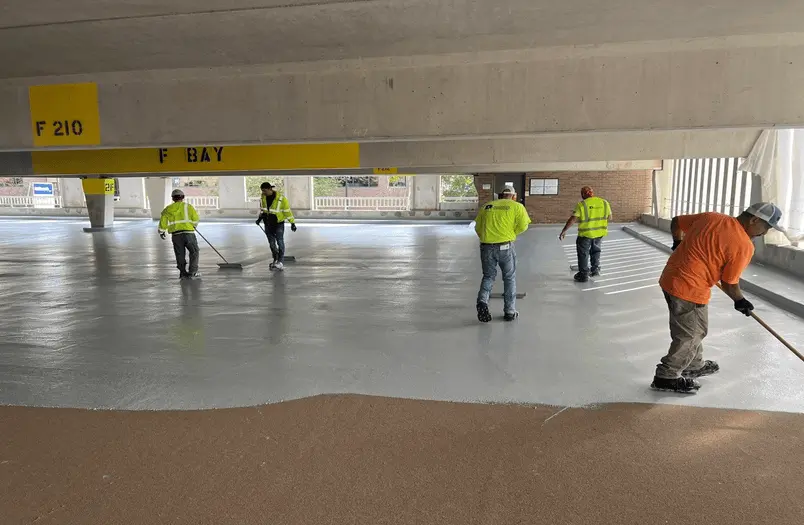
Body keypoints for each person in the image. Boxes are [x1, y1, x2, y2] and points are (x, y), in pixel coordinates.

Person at [651, 202, 784, 394]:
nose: (765, 233)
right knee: (691, 334)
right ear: (754, 219)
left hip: (671, 278)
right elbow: (730, 282)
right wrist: (740, 300)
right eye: (767, 227)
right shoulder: (744, 245)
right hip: (690, 288)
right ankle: (667, 376)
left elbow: (676, 222)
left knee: (696, 327)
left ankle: (694, 365)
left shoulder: (711, 217)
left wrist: (678, 242)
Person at [474, 186, 532, 322]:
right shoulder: (517, 206)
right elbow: (524, 226)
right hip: (505, 247)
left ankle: (482, 301)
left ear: (500, 195)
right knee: (509, 278)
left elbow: (477, 228)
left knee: (488, 276)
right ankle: (510, 311)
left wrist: (487, 238)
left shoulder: (487, 206)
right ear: (513, 196)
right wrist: (511, 233)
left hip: (486, 247)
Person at [558, 186, 612, 282]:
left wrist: (564, 230)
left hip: (585, 234)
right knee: (596, 251)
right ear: (592, 193)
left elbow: (573, 219)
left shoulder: (582, 204)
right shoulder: (604, 202)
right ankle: (595, 270)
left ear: (583, 194)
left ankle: (583, 275)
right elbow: (610, 217)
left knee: (583, 254)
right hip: (599, 233)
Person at [158, 189, 201, 280]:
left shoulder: (168, 209)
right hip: (189, 234)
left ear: (173, 198)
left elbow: (163, 221)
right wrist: (194, 225)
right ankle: (193, 272)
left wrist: (162, 231)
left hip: (176, 235)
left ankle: (182, 273)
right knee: (194, 252)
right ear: (183, 197)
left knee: (180, 254)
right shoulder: (188, 207)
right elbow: (195, 218)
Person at [256, 182, 297, 271]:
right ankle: (275, 259)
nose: (263, 192)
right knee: (271, 244)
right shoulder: (263, 198)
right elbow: (263, 210)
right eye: (262, 191)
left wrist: (292, 223)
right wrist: (259, 219)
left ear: (270, 189)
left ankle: (280, 261)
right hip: (267, 224)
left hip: (278, 223)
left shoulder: (281, 199)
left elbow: (287, 211)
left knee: (280, 241)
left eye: (265, 190)